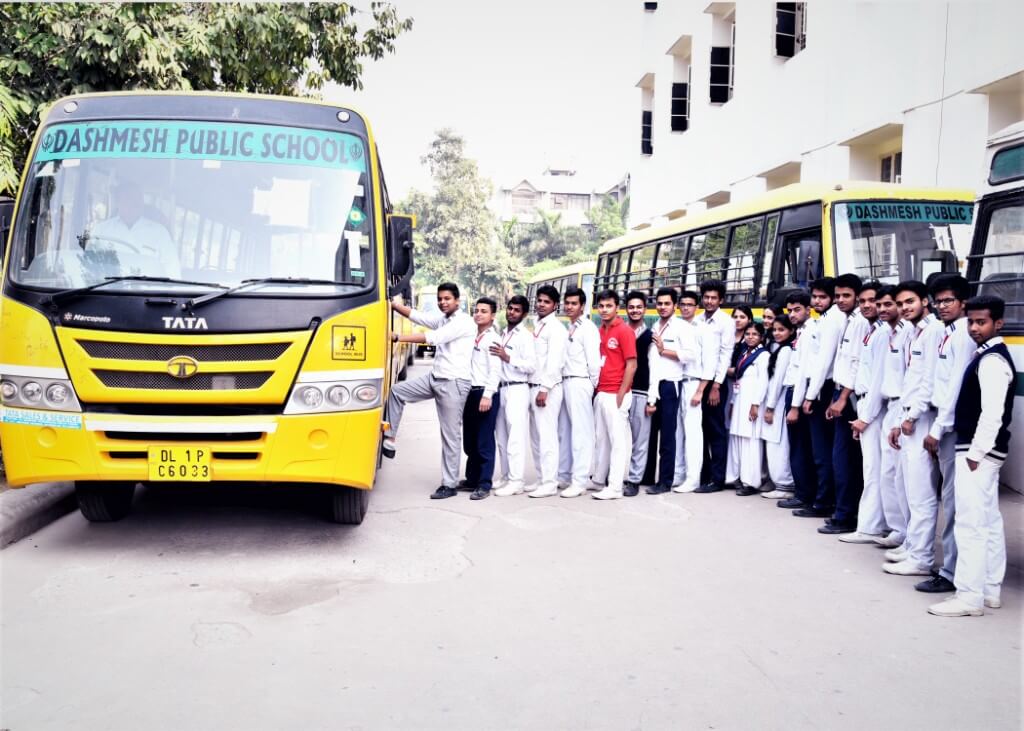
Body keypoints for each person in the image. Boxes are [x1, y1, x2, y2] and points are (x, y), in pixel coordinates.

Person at [929, 295, 1015, 617]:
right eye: (971, 322)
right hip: (982, 451)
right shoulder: (987, 355)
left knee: (970, 525)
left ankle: (969, 597)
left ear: (998, 323)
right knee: (988, 521)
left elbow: (992, 414)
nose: (975, 328)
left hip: (977, 452)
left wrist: (975, 454)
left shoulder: (991, 361)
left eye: (982, 322)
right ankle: (990, 590)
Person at [385, 282, 475, 499]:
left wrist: (397, 337)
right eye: (440, 299)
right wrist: (393, 305)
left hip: (453, 383)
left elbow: (432, 338)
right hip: (435, 378)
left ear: (457, 301)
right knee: (397, 392)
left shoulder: (463, 322)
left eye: (447, 299)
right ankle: (389, 438)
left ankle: (449, 485)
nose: (443, 302)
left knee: (450, 436)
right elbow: (419, 317)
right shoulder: (444, 319)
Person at [917, 274, 974, 593]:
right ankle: (950, 567)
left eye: (948, 300)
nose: (941, 306)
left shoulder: (963, 335)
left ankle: (951, 571)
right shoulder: (947, 332)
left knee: (953, 502)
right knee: (949, 499)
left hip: (950, 427)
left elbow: (955, 387)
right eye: (937, 301)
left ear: (963, 302)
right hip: (941, 421)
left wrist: (937, 430)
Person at [884, 280, 944, 577]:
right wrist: (900, 419)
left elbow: (929, 380)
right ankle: (912, 546)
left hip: (922, 418)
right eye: (901, 303)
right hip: (908, 415)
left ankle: (922, 557)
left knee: (922, 492)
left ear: (925, 301)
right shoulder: (913, 331)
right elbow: (910, 379)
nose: (905, 308)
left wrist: (912, 415)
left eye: (910, 302)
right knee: (907, 486)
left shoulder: (934, 331)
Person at [819, 273, 869, 534]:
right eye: (837, 296)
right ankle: (843, 511)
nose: (840, 300)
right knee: (841, 459)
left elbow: (857, 364)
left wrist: (841, 398)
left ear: (857, 297)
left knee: (845, 460)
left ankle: (846, 515)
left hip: (850, 399)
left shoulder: (860, 322)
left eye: (846, 295)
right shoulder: (847, 320)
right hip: (841, 393)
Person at [793, 277, 843, 519]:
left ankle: (824, 502)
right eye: (815, 297)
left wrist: (810, 396)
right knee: (819, 451)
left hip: (824, 390)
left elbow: (823, 363)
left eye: (823, 297)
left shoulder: (832, 320)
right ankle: (820, 499)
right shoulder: (821, 321)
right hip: (818, 389)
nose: (817, 301)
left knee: (823, 452)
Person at [645, 287, 698, 494]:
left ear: (675, 305)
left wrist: (663, 350)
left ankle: (665, 481)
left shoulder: (682, 327)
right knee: (653, 434)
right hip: (655, 385)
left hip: (670, 385)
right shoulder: (655, 325)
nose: (662, 307)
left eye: (667, 303)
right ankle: (650, 476)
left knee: (668, 435)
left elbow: (690, 355)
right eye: (659, 303)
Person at [591, 290, 637, 500]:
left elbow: (632, 365)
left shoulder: (624, 331)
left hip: (616, 394)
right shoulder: (599, 330)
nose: (604, 310)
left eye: (609, 306)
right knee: (602, 440)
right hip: (601, 392)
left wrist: (621, 393)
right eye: (601, 306)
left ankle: (615, 487)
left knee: (618, 442)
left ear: (617, 307)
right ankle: (598, 480)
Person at [557, 287, 601, 498]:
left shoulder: (588, 328)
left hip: (580, 382)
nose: (569, 307)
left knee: (581, 434)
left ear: (582, 306)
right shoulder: (570, 327)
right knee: (565, 432)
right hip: (566, 381)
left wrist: (591, 385)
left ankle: (580, 480)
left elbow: (594, 362)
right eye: (567, 303)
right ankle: (564, 475)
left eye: (574, 303)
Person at [457, 297, 502, 500]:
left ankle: (484, 484)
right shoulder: (471, 335)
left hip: (484, 393)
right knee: (470, 440)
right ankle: (472, 479)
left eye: (484, 311)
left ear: (492, 316)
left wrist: (488, 395)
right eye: (476, 310)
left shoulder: (493, 339)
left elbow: (495, 369)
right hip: (469, 392)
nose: (478, 314)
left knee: (484, 441)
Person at [492, 296, 537, 497]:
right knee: (502, 437)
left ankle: (517, 481)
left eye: (517, 310)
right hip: (502, 388)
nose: (512, 312)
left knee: (515, 438)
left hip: (518, 389)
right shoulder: (503, 333)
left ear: (524, 314)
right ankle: (506, 476)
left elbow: (531, 365)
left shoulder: (525, 336)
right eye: (510, 308)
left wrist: (508, 357)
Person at [90, 181, 181, 278]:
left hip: (145, 286)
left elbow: (172, 270)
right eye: (128, 198)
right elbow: (88, 265)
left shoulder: (160, 232)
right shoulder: (101, 230)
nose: (135, 203)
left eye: (138, 199)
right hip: (107, 285)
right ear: (118, 202)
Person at [527, 286, 568, 498]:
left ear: (555, 306)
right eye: (540, 300)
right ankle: (542, 478)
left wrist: (544, 389)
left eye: (547, 302)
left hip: (547, 389)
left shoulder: (556, 328)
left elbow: (555, 362)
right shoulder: (537, 324)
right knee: (535, 437)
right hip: (533, 386)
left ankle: (550, 483)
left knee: (547, 437)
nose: (541, 304)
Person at [673, 290, 715, 493]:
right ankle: (678, 474)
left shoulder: (703, 330)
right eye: (683, 304)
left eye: (690, 304)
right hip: (677, 382)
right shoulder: (676, 326)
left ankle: (693, 478)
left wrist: (700, 390)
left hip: (693, 383)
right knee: (677, 432)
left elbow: (710, 363)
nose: (686, 308)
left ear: (697, 307)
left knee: (693, 434)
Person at [693, 279, 734, 493]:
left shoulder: (726, 322)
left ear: (721, 300)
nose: (709, 301)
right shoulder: (697, 320)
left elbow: (725, 355)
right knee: (700, 430)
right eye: (706, 297)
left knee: (716, 430)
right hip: (698, 379)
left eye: (713, 298)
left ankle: (717, 479)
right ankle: (704, 474)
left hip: (715, 384)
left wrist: (716, 386)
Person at [779, 291, 818, 511]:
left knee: (800, 447)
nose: (792, 314)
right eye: (790, 310)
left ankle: (804, 494)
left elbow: (803, 371)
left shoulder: (810, 331)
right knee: (797, 445)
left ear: (808, 310)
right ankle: (803, 492)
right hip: (794, 391)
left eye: (797, 310)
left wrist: (794, 406)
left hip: (798, 393)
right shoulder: (801, 331)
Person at [726, 322, 768, 496]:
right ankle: (735, 477)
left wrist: (756, 404)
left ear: (761, 337)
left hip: (752, 403)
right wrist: (732, 402)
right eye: (748, 334)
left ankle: (750, 482)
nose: (750, 337)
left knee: (750, 441)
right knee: (737, 437)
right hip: (740, 400)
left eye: (754, 334)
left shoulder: (763, 355)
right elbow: (738, 380)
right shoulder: (744, 353)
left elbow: (763, 382)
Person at [760, 314, 797, 500]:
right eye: (774, 330)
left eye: (781, 330)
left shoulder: (786, 351)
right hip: (776, 402)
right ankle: (781, 483)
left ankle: (785, 484)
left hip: (778, 403)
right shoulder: (780, 348)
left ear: (791, 331)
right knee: (774, 443)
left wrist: (770, 407)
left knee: (778, 445)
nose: (776, 333)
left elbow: (778, 381)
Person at [623, 291, 655, 496]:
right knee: (615, 437)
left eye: (639, 307)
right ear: (626, 309)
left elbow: (655, 368)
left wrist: (652, 399)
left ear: (644, 309)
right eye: (631, 307)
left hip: (641, 391)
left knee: (640, 440)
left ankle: (634, 480)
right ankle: (612, 474)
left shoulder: (650, 336)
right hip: (620, 391)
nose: (635, 310)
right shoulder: (620, 331)